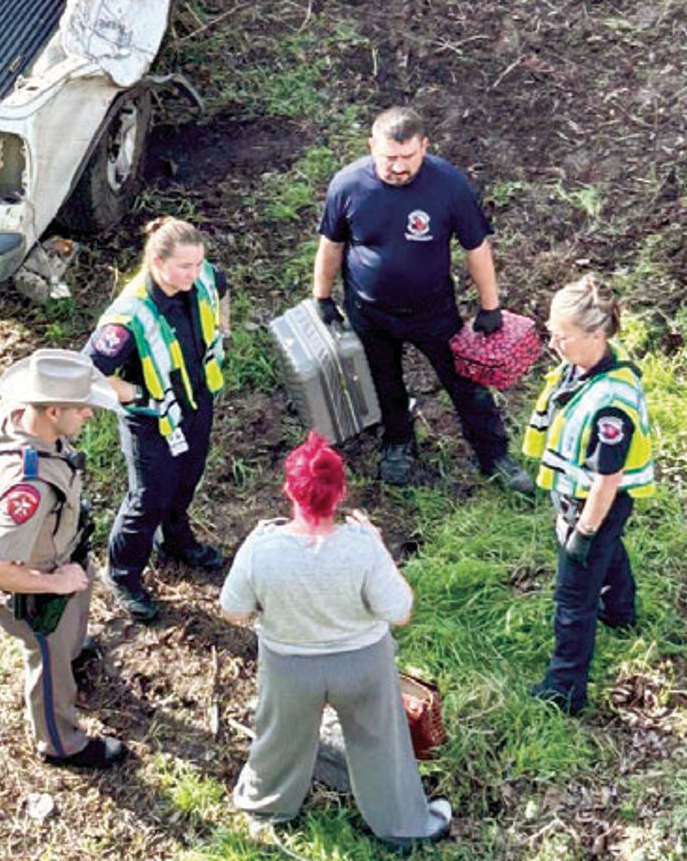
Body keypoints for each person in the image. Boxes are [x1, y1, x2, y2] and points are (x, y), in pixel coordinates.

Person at [220, 431, 451, 849]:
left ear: (289, 490)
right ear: (340, 492)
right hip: (362, 663)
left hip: (289, 665)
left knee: (278, 737)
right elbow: (399, 612)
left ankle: (266, 807)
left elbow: (233, 610)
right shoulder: (362, 546)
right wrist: (378, 546)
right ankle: (403, 826)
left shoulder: (260, 548)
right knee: (381, 741)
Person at [313, 105, 532, 491]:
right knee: (385, 382)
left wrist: (489, 306)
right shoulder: (347, 185)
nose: (398, 167)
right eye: (389, 158)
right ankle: (398, 442)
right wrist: (323, 297)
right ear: (371, 146)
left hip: (433, 312)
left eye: (408, 158)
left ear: (424, 147)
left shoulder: (448, 185)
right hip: (369, 313)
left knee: (465, 383)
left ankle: (494, 454)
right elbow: (331, 244)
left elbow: (476, 247)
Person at [0, 348, 127, 769]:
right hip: (37, 594)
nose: (90, 416)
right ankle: (61, 743)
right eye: (82, 408)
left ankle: (72, 652)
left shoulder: (11, 416)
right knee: (49, 667)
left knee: (68, 639)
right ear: (53, 410)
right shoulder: (29, 487)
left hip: (64, 558)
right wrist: (55, 583)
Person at [86, 217, 230, 624]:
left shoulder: (200, 279)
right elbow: (92, 371)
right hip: (152, 421)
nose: (195, 273)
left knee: (188, 477)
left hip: (196, 403)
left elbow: (221, 284)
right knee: (148, 497)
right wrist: (136, 395)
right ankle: (124, 574)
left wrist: (223, 331)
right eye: (185, 266)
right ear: (156, 262)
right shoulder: (128, 318)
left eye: (198, 263)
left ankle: (175, 540)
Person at [523, 275, 655, 714]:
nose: (553, 343)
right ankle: (620, 611)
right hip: (580, 501)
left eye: (562, 336)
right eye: (551, 332)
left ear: (596, 335)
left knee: (573, 601)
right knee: (609, 553)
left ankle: (565, 690)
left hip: (595, 506)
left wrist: (583, 532)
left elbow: (606, 480)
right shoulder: (581, 368)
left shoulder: (611, 403)